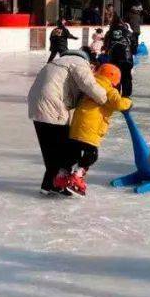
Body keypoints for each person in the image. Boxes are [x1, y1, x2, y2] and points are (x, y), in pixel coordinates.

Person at [27, 49, 109, 195]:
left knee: (49, 150)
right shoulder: (79, 63)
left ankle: (49, 185)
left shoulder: (55, 62)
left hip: (35, 104)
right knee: (67, 150)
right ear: (88, 60)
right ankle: (56, 184)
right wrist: (105, 98)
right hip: (54, 105)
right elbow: (89, 85)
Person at [54, 63, 132, 197]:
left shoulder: (90, 86)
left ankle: (61, 178)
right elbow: (118, 103)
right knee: (91, 155)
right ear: (114, 80)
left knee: (73, 154)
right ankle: (77, 177)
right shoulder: (108, 89)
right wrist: (129, 102)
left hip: (76, 126)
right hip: (90, 129)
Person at [104, 19, 135, 97]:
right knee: (126, 77)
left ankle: (115, 95)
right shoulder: (128, 32)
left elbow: (105, 46)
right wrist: (132, 52)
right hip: (126, 59)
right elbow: (134, 45)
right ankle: (126, 96)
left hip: (113, 59)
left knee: (114, 76)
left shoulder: (109, 33)